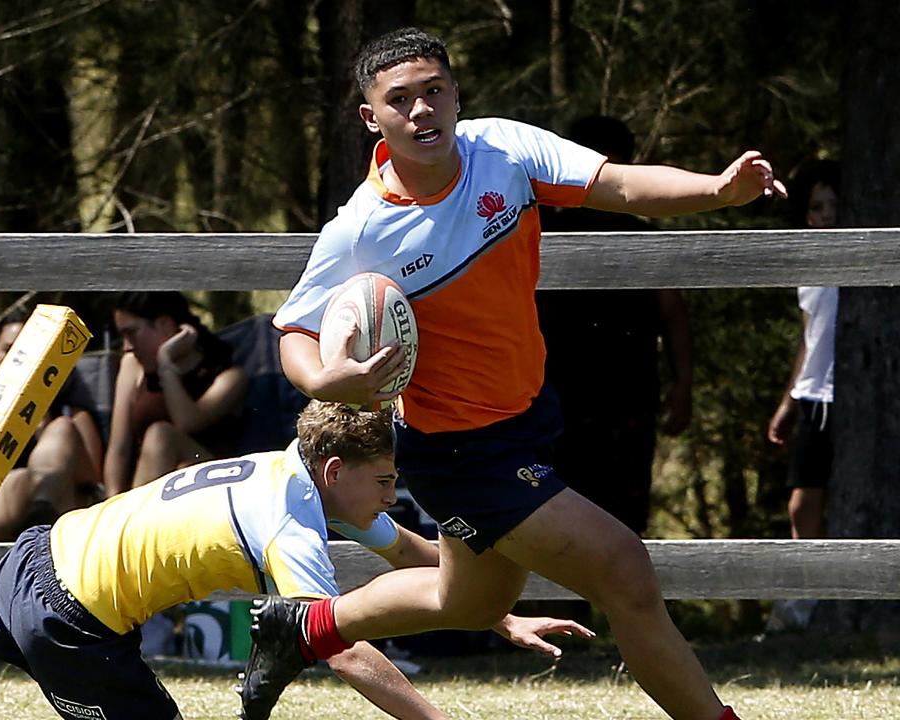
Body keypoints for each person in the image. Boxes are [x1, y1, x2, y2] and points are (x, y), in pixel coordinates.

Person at [256, 27, 785, 720]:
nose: (422, 111)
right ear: (371, 117)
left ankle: (300, 627)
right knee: (623, 568)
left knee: (470, 600)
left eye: (434, 92)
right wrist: (329, 384)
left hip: (527, 413)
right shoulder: (361, 231)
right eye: (401, 99)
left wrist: (718, 189)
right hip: (458, 448)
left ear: (455, 93)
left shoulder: (501, 150)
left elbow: (619, 185)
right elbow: (294, 331)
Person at [0, 401, 592, 720]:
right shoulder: (293, 517)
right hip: (72, 617)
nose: (391, 499)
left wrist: (494, 613)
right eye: (382, 481)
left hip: (42, 559)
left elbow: (409, 554)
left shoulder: (286, 469)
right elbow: (338, 646)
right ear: (338, 469)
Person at [536, 115, 693, 536]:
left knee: (622, 523)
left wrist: (683, 384)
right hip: (553, 400)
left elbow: (673, 311)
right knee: (554, 521)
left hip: (626, 399)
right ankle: (559, 606)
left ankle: (619, 603)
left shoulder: (644, 236)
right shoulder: (537, 233)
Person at [0, 307, 105, 540]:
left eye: (29, 352)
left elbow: (91, 484)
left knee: (62, 429)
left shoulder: (72, 417)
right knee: (24, 479)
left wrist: (42, 428)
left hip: (63, 516)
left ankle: (42, 508)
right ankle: (39, 508)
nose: (19, 361)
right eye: (9, 350)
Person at [764, 159, 838, 630]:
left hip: (841, 396)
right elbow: (809, 336)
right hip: (814, 396)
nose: (827, 215)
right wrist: (789, 400)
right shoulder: (810, 267)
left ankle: (809, 607)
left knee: (823, 502)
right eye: (817, 206)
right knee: (801, 506)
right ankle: (800, 607)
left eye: (836, 205)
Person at [104, 291, 248, 496]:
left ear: (165, 325)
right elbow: (119, 448)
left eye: (132, 333)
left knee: (162, 435)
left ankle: (134, 521)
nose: (127, 347)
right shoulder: (132, 366)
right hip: (146, 483)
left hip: (209, 483)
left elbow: (187, 422)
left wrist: (165, 365)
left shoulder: (229, 378)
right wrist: (111, 503)